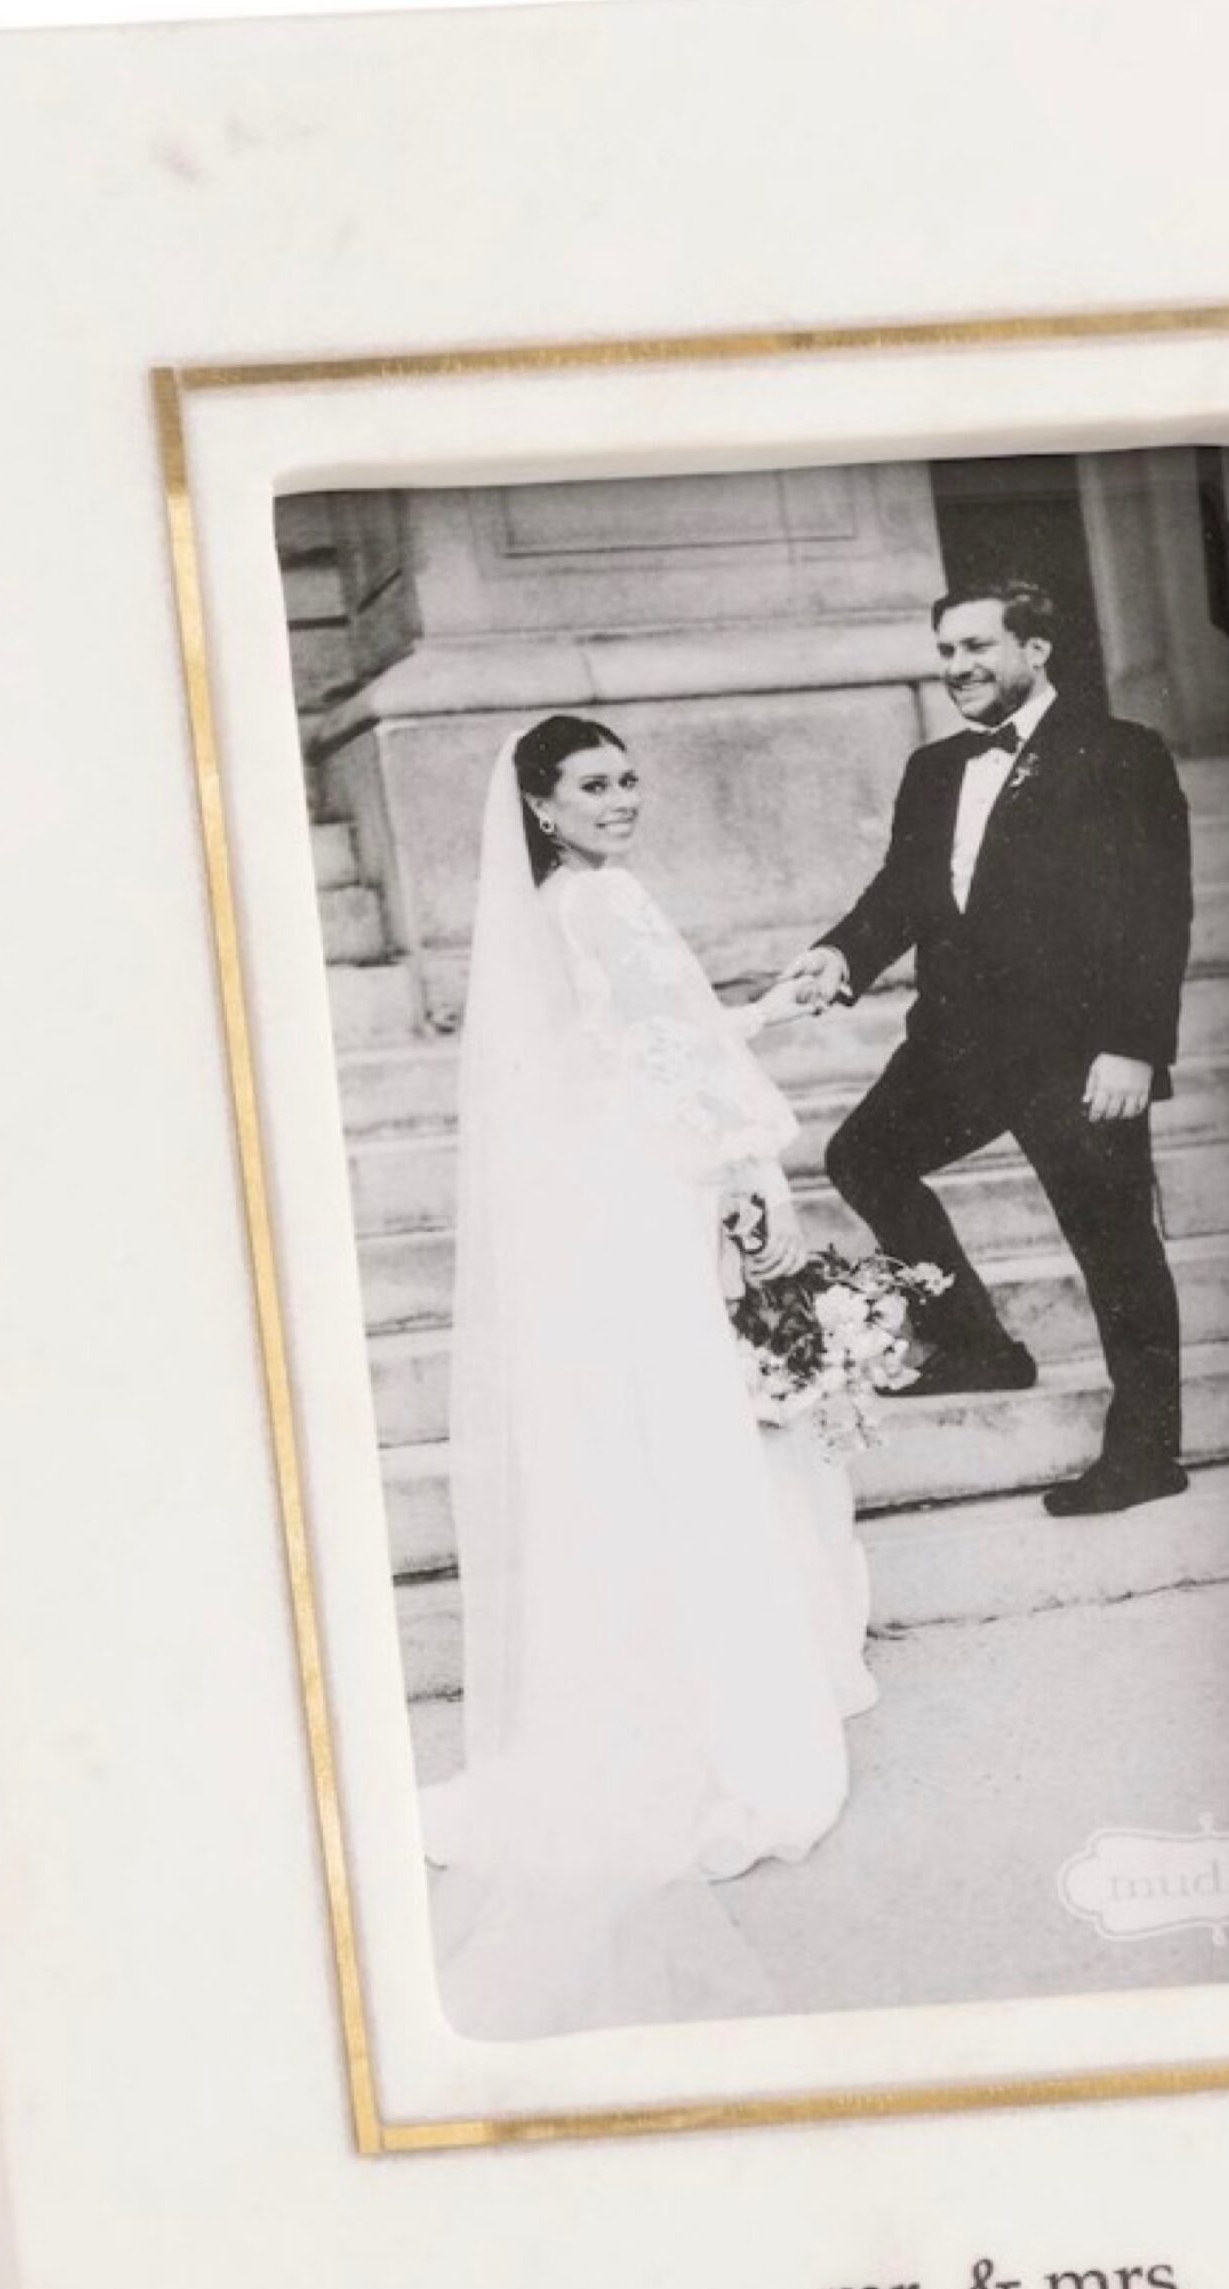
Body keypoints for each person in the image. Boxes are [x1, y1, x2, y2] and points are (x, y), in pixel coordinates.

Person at [418, 716, 872, 2038]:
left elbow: (649, 1040)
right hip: (661, 1188)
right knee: (692, 1435)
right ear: (543, 808)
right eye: (593, 785)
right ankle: (720, 1716)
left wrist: (765, 1012)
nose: (622, 799)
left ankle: (669, 1680)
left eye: (629, 779)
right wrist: (739, 1177)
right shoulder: (597, 901)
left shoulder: (571, 907)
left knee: (671, 1437)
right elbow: (664, 1066)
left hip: (626, 1184)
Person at [778, 579, 1195, 1516]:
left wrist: (1132, 1046)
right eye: (946, 652)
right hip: (958, 1048)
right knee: (865, 1158)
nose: (957, 668)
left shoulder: (1119, 754)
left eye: (977, 648)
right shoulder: (935, 769)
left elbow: (1157, 910)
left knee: (1115, 1246)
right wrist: (840, 955)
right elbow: (903, 890)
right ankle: (977, 1345)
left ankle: (1147, 1453)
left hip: (1078, 1053)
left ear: (1035, 650)